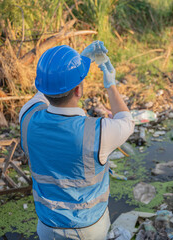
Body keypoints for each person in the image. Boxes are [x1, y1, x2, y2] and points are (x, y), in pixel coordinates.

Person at [19, 42, 134, 239]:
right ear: (79, 91)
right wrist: (111, 85)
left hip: (46, 228)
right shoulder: (98, 132)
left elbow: (45, 92)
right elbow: (127, 121)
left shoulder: (27, 117)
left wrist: (78, 64)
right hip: (87, 231)